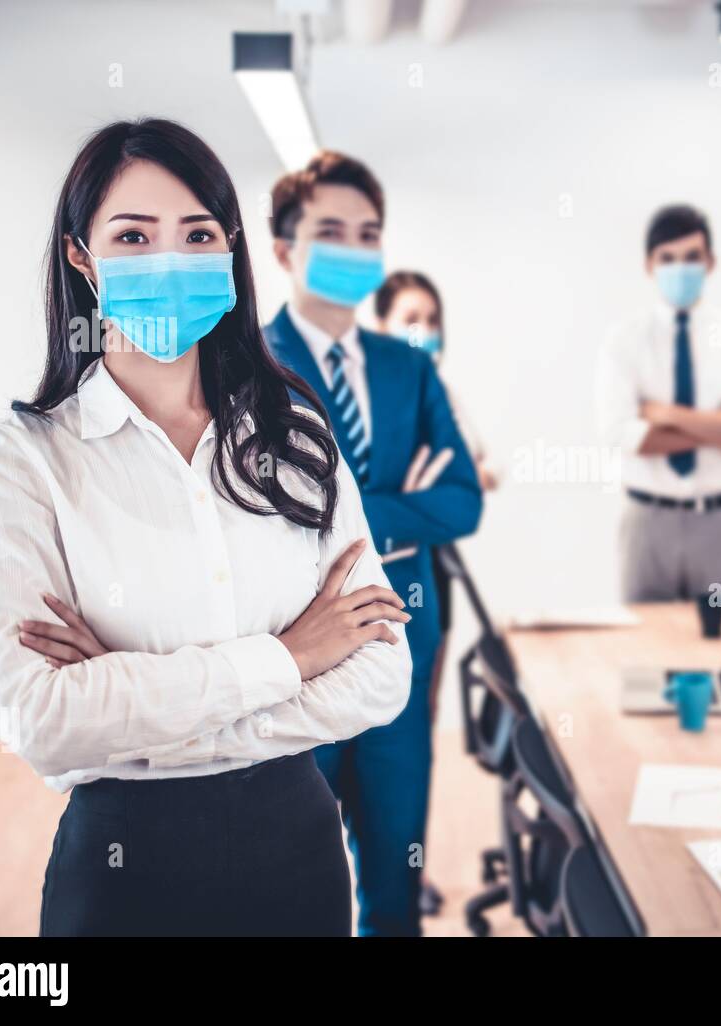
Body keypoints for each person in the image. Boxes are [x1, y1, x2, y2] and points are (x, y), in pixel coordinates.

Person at [0, 119, 412, 937]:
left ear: (230, 249)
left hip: (300, 856)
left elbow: (383, 673)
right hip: (124, 873)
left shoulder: (297, 438)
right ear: (80, 257)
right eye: (132, 235)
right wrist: (293, 656)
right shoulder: (22, 462)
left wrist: (146, 718)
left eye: (197, 233)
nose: (168, 258)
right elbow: (47, 724)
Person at [264, 152, 483, 936]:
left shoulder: (408, 368)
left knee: (396, 879)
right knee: (299, 889)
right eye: (331, 231)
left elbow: (461, 502)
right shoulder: (241, 369)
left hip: (401, 642)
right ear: (285, 249)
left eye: (368, 234)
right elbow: (258, 516)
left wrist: (347, 514)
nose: (355, 249)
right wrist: (400, 505)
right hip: (295, 662)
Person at [373, 269, 497, 916]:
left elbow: (475, 477)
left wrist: (417, 501)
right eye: (409, 319)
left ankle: (406, 870)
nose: (424, 331)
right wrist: (418, 501)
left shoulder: (437, 391)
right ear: (381, 327)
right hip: (379, 583)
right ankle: (377, 873)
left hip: (433, 578)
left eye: (432, 318)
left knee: (419, 725)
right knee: (374, 732)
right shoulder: (375, 398)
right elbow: (366, 505)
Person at [596, 204, 721, 605]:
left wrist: (665, 415)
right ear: (649, 265)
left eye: (692, 257)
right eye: (668, 259)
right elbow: (619, 434)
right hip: (647, 523)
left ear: (711, 262)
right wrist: (719, 426)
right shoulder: (624, 339)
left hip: (717, 522)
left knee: (715, 647)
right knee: (645, 652)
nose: (681, 269)